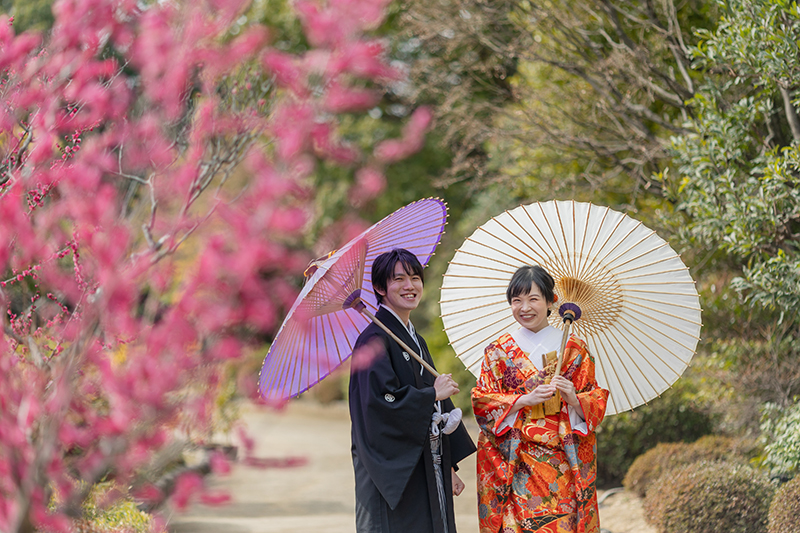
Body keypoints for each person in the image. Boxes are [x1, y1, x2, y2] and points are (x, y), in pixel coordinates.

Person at [471, 265, 609, 533]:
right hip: (514, 462)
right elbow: (482, 401)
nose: (525, 308)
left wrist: (573, 397)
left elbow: (594, 398)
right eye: (517, 300)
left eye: (533, 299)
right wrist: (524, 400)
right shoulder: (497, 351)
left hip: (561, 464)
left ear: (550, 301)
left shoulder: (574, 349)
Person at [349, 248, 476, 533]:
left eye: (415, 278)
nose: (410, 286)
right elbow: (379, 405)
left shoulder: (413, 338)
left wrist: (449, 466)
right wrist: (431, 395)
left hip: (428, 463)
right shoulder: (372, 341)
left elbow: (437, 406)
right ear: (380, 288)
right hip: (393, 473)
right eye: (399, 279)